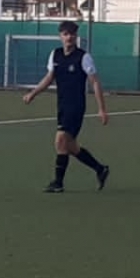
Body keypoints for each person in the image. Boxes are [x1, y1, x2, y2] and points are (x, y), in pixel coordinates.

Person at [21, 20, 110, 192]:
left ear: (76, 36)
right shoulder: (55, 55)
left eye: (72, 34)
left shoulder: (83, 57)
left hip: (76, 107)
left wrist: (102, 109)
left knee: (60, 140)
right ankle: (100, 169)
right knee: (70, 146)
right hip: (62, 105)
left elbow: (95, 82)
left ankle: (58, 183)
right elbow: (50, 77)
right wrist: (33, 93)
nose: (69, 37)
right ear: (60, 36)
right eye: (66, 34)